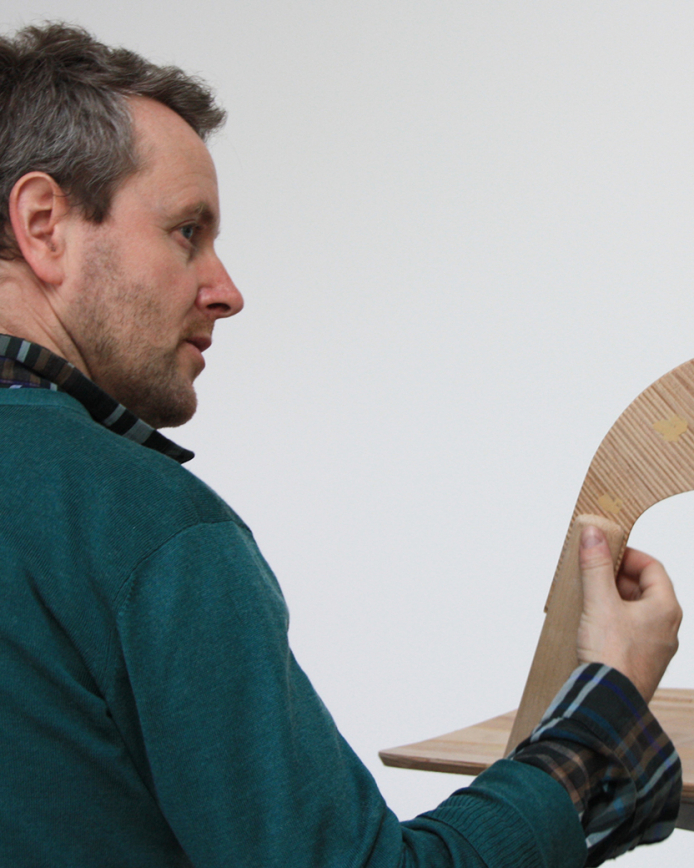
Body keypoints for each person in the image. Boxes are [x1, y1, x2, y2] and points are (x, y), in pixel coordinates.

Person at [0, 22, 682, 868]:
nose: (227, 290)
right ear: (44, 224)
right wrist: (606, 712)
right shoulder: (143, 528)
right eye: (186, 232)